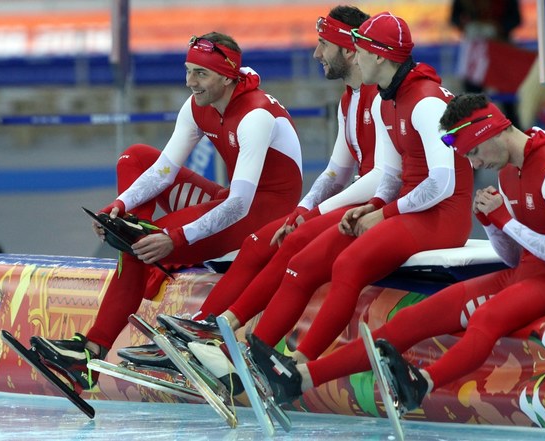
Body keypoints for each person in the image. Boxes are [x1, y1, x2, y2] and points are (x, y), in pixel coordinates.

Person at [249, 93, 545, 410]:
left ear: (491, 133)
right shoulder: (509, 174)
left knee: (486, 318)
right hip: (525, 273)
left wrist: (504, 220)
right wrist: (492, 225)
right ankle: (301, 378)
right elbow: (512, 257)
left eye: (473, 153)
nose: (474, 165)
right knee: (413, 319)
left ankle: (423, 383)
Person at [29, 31, 304, 391]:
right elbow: (163, 170)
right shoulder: (198, 105)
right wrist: (121, 206)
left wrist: (173, 239)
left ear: (226, 76)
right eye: (188, 71)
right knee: (137, 157)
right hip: (231, 200)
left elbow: (240, 203)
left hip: (261, 214)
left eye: (201, 74)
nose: (191, 82)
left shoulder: (255, 115)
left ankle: (92, 350)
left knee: (137, 246)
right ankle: (128, 233)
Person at [239, 11, 473, 371]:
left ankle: (299, 367)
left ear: (379, 56)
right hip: (407, 206)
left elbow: (443, 184)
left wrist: (384, 213)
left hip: (442, 213)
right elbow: (392, 174)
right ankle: (256, 354)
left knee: (348, 263)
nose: (355, 54)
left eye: (360, 47)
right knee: (304, 262)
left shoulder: (427, 102)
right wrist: (373, 206)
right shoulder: (385, 99)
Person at [156, 5, 393, 341]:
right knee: (258, 243)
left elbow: (384, 177)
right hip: (364, 203)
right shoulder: (349, 99)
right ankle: (207, 329)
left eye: (323, 44)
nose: (316, 53)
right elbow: (336, 172)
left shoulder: (381, 98)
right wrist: (304, 208)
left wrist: (314, 213)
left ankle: (219, 338)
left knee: (293, 250)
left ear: (348, 50)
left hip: (379, 206)